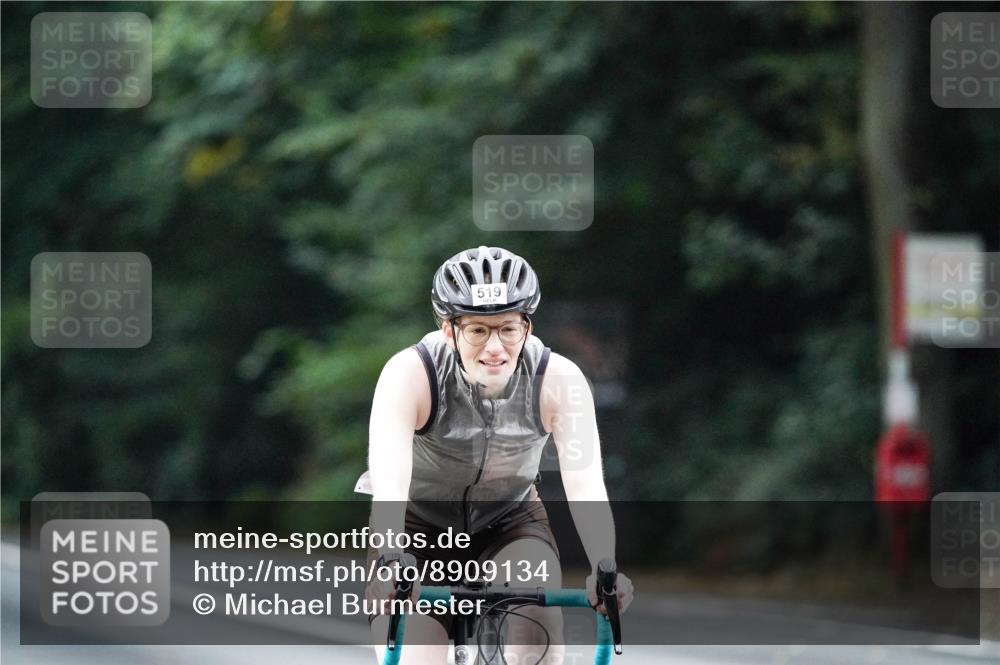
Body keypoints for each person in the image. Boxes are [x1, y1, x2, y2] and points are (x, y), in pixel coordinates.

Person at [361, 246, 634, 664]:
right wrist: (387, 560)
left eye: (507, 328)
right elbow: (390, 482)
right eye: (477, 331)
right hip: (418, 529)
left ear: (527, 327)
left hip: (511, 522)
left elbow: (584, 480)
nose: (495, 347)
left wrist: (604, 564)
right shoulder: (410, 374)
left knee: (535, 631)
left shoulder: (559, 379)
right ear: (450, 331)